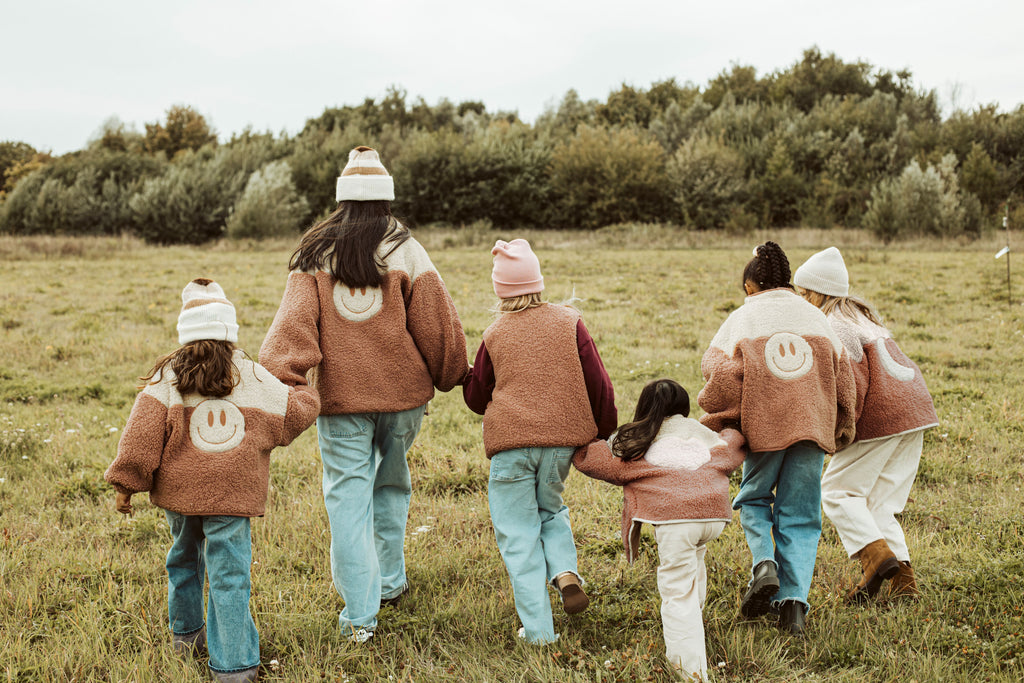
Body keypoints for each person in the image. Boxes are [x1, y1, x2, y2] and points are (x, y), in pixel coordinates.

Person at [258, 146, 470, 643]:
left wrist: (287, 387)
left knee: (347, 500)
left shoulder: (315, 255)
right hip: (404, 402)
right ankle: (391, 583)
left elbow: (288, 334)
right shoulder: (407, 250)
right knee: (392, 485)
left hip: (342, 404)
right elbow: (439, 326)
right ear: (386, 200)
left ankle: (360, 618)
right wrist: (455, 373)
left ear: (342, 200)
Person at [104, 279, 320, 683]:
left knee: (183, 560)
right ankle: (235, 666)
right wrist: (302, 387)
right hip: (233, 497)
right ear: (230, 331)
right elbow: (295, 414)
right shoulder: (251, 375)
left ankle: (187, 638)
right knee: (230, 577)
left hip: (180, 495)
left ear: (185, 334)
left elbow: (140, 436)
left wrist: (125, 483)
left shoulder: (167, 378)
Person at [698, 241, 857, 636]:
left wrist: (716, 421)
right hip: (812, 428)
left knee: (753, 498)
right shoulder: (817, 318)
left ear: (751, 286)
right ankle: (793, 605)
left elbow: (718, 377)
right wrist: (843, 425)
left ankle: (764, 564)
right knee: (801, 514)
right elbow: (846, 380)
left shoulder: (742, 318)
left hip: (764, 428)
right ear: (787, 281)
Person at [463, 238, 617, 644]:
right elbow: (599, 383)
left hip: (510, 447)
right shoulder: (570, 322)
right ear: (538, 282)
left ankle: (538, 632)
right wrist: (603, 432)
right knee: (550, 509)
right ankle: (565, 571)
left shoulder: (493, 335)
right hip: (560, 446)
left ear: (500, 289)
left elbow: (478, 400)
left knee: (518, 536)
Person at [573, 378, 745, 681]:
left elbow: (598, 462)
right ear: (684, 405)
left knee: (677, 592)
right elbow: (733, 445)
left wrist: (581, 443)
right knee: (695, 561)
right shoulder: (702, 432)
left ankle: (690, 672)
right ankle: (694, 618)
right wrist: (728, 426)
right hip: (714, 516)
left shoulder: (634, 439)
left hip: (675, 518)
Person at [794, 247, 938, 603]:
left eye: (802, 293)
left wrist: (839, 433)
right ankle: (903, 584)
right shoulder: (860, 316)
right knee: (878, 504)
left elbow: (849, 383)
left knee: (838, 491)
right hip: (915, 410)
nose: (800, 300)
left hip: (883, 416)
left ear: (816, 293)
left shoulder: (833, 325)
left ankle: (876, 560)